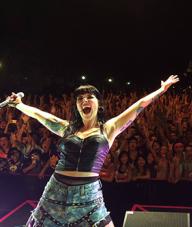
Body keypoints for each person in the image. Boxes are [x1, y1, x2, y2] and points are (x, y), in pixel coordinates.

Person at [7, 75, 179, 227]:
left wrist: (161, 90)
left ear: (98, 103)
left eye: (90, 97)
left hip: (88, 193)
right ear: (77, 106)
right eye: (80, 98)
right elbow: (41, 116)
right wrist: (19, 105)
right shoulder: (67, 128)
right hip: (55, 189)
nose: (84, 101)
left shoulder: (109, 128)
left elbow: (139, 105)